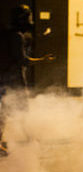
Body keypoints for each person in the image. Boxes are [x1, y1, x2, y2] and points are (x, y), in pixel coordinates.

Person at [0, 4, 54, 156]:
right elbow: (23, 61)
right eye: (28, 17)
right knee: (23, 112)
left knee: (3, 113)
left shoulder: (6, 34)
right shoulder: (16, 36)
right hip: (13, 81)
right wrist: (43, 60)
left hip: (3, 80)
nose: (30, 21)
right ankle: (31, 142)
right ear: (22, 19)